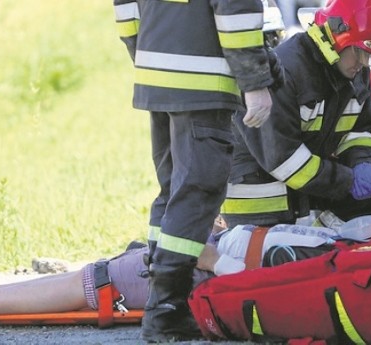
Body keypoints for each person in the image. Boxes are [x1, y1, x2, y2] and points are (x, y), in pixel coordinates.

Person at [112, 0, 283, 342]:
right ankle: (166, 312)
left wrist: (147, 56)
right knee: (196, 192)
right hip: (204, 86)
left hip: (156, 76)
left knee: (175, 192)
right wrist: (254, 83)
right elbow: (236, 15)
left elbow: (125, 11)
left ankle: (164, 303)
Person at [0, 218, 371, 331]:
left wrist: (188, 246)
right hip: (202, 259)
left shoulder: (317, 257)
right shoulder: (336, 256)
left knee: (89, 284)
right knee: (93, 278)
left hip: (193, 270)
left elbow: (234, 275)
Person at [221, 0, 371, 230]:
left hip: (314, 180)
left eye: (369, 57)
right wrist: (348, 180)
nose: (363, 64)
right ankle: (317, 250)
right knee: (279, 258)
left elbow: (361, 131)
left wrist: (362, 162)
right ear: (338, 38)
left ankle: (352, 255)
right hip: (260, 193)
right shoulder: (287, 70)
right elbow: (283, 159)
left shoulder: (354, 72)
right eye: (360, 54)